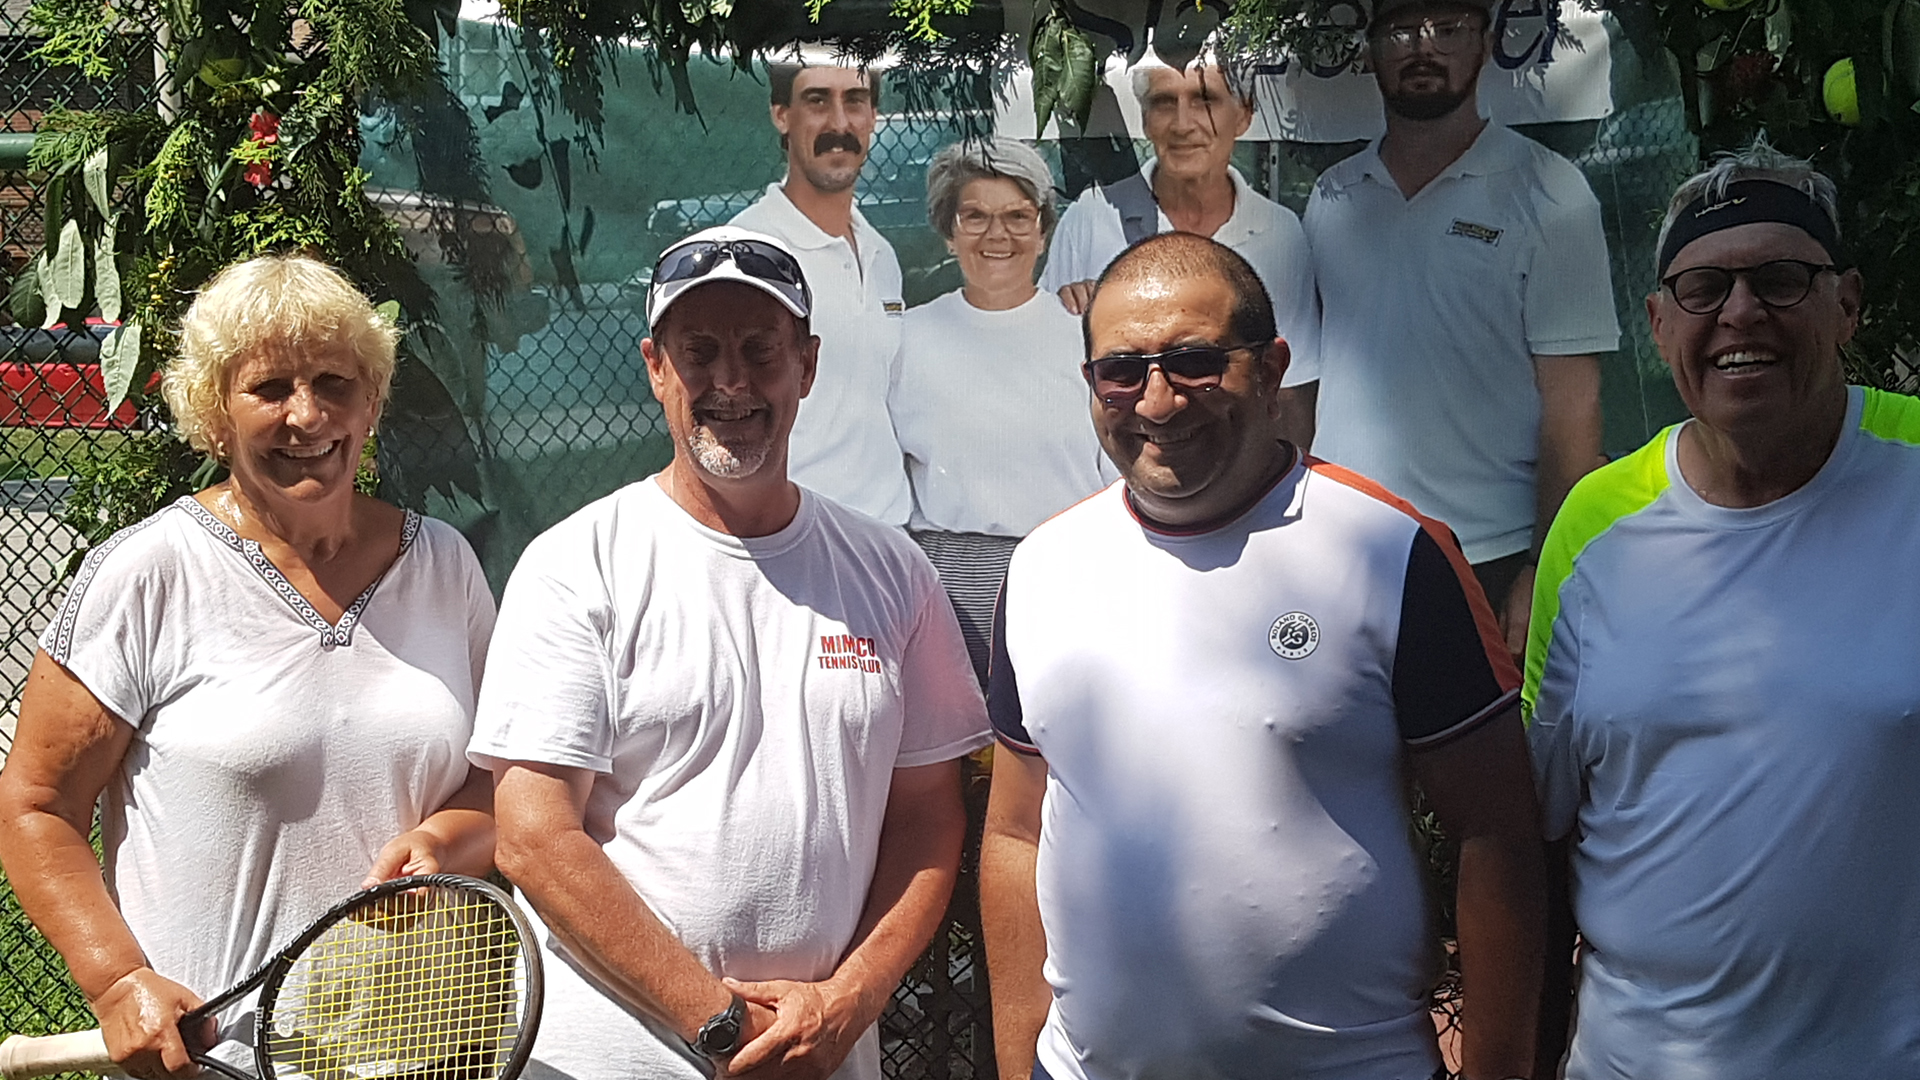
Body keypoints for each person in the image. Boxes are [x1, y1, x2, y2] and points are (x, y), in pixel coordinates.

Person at [980, 232, 1546, 1080]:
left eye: (1197, 361)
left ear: (1273, 367)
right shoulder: (1042, 568)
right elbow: (1015, 832)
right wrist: (1017, 1065)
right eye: (1122, 371)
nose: (1159, 401)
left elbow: (1499, 832)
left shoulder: (1389, 548)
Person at [471, 226, 991, 1080]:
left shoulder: (893, 572)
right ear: (654, 366)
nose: (732, 382)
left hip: (824, 1055)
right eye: (699, 351)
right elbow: (533, 837)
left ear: (808, 365)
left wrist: (854, 997)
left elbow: (929, 818)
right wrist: (716, 1020)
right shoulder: (577, 565)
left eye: (761, 350)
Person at [0, 254, 497, 1080]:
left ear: (371, 402)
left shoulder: (444, 563)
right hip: (220, 1065)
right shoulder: (148, 573)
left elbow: (502, 781)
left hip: (429, 1056)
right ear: (213, 410)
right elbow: (37, 805)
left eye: (335, 383)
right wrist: (118, 980)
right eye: (270, 390)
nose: (309, 417)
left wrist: (446, 840)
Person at [1525, 142, 1920, 1079]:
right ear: (1660, 325)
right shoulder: (1593, 524)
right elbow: (1542, 834)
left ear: (1847, 304)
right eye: (1703, 289)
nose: (1742, 312)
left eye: (1783, 279)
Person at [1302, 0, 1619, 655]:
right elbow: (1306, 381)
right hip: (1341, 546)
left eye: (1448, 29)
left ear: (1487, 43)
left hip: (1490, 557)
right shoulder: (1332, 196)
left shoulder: (1552, 193)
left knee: (1491, 757)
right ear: (1369, 51)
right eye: (1399, 31)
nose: (1424, 48)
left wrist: (1542, 567)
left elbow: (1573, 405)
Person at [892, 136, 1109, 684]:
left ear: (1042, 231)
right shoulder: (906, 339)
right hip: (945, 580)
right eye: (975, 216)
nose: (998, 235)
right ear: (948, 231)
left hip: (1067, 571)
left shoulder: (1088, 337)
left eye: (1017, 216)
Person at [1041, 57, 1321, 443]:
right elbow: (1044, 374)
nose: (1183, 123)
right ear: (1144, 119)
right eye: (1163, 102)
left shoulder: (1280, 233)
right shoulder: (1090, 219)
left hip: (1235, 491)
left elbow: (1292, 391)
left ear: (1244, 114)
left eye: (1205, 100)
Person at [730, 60, 912, 526]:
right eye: (816, 100)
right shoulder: (746, 252)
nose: (839, 123)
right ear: (781, 116)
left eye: (854, 101)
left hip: (888, 534)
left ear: (873, 117)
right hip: (793, 539)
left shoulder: (880, 253)